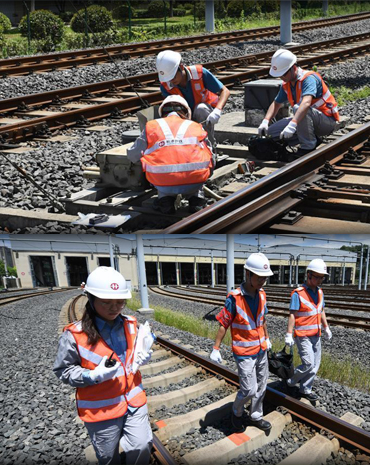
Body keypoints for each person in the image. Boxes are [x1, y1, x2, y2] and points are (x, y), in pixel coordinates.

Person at [53, 267, 155, 465]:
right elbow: (63, 370)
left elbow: (133, 355)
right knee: (108, 458)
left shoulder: (131, 323)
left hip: (134, 401)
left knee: (142, 445)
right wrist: (92, 375)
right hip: (102, 410)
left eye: (120, 302)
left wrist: (143, 353)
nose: (115, 308)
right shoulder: (75, 335)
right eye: (107, 302)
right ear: (90, 299)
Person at [210, 253, 274, 434]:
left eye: (265, 278)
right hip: (244, 352)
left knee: (262, 385)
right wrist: (216, 348)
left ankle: (255, 415)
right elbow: (224, 324)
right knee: (248, 389)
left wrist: (267, 338)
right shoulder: (234, 298)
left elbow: (263, 320)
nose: (262, 281)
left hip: (261, 349)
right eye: (259, 277)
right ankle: (237, 412)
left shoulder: (262, 295)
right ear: (248, 274)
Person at [127, 95, 215, 214]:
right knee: (206, 157)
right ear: (186, 112)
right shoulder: (195, 126)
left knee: (155, 166)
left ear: (162, 112)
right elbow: (211, 154)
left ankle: (165, 200)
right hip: (195, 181)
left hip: (162, 182)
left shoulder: (152, 126)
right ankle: (196, 199)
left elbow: (133, 155)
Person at [257, 49, 342, 153]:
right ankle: (311, 137)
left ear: (293, 68)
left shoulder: (309, 79)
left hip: (326, 122)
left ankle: (308, 147)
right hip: (307, 120)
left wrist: (292, 124)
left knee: (299, 108)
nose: (281, 78)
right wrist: (266, 121)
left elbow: (306, 103)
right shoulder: (286, 84)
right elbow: (276, 103)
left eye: (283, 74)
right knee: (272, 132)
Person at [155, 49, 230, 150]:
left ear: (181, 67)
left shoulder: (199, 73)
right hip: (183, 116)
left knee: (201, 109)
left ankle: (209, 148)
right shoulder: (166, 85)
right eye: (168, 78)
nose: (171, 81)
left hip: (203, 117)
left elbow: (225, 91)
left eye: (172, 77)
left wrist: (217, 110)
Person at [283, 259, 333, 401]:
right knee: (309, 363)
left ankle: (306, 389)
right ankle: (292, 381)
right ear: (308, 275)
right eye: (317, 277)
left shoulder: (320, 292)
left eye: (321, 277)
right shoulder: (298, 294)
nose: (319, 280)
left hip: (316, 334)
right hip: (302, 335)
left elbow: (321, 310)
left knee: (315, 364)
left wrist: (326, 327)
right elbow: (292, 314)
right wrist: (288, 334)